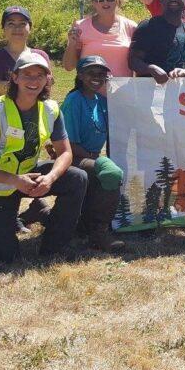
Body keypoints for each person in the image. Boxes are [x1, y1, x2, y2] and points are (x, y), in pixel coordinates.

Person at [0, 52, 87, 263]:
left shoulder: (51, 109)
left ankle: (55, 246)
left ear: (48, 79)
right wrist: (14, 180)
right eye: (27, 74)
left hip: (28, 175)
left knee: (77, 178)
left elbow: (66, 152)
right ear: (14, 77)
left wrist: (50, 178)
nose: (34, 81)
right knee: (3, 258)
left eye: (40, 75)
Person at [60, 56, 126, 252]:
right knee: (111, 173)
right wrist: (94, 158)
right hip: (73, 156)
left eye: (101, 74)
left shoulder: (102, 100)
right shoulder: (74, 101)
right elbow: (69, 143)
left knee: (104, 172)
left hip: (91, 156)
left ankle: (85, 224)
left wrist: (114, 83)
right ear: (80, 75)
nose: (96, 77)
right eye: (91, 73)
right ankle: (100, 232)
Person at [62, 0, 137, 78]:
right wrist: (71, 44)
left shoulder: (131, 27)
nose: (105, 1)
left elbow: (139, 64)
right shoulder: (80, 27)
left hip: (122, 93)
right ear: (92, 2)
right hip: (89, 93)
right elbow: (69, 66)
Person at [129, 0, 185, 84]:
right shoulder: (148, 26)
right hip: (154, 92)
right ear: (161, 0)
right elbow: (133, 60)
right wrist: (150, 69)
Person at [0, 7, 50, 97]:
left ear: (30, 28)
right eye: (11, 24)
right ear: (3, 28)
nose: (17, 28)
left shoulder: (41, 55)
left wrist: (15, 84)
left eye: (22, 24)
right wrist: (31, 85)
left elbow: (48, 84)